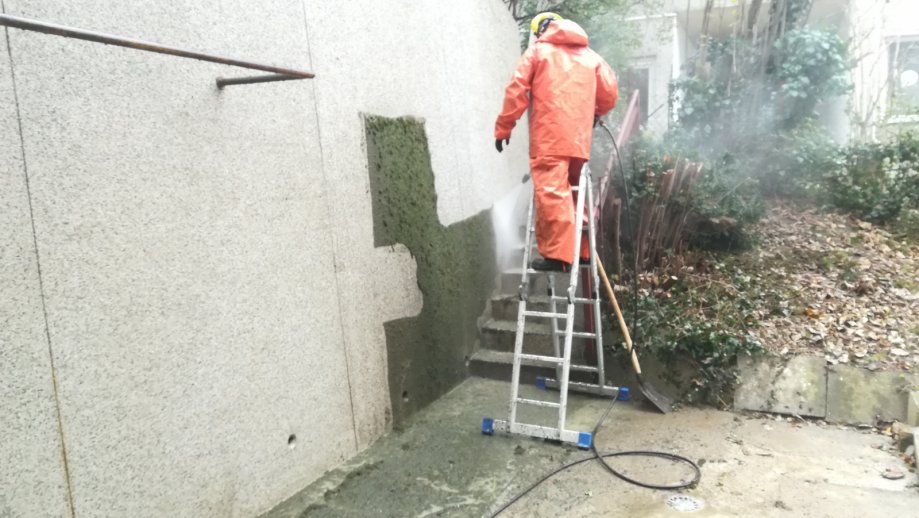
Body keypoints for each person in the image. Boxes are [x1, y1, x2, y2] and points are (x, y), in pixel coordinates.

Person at [494, 12, 618, 272]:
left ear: (540, 31)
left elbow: (516, 90)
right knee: (574, 194)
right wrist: (595, 113)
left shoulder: (537, 52)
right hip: (578, 142)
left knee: (552, 195)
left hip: (549, 139)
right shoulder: (591, 56)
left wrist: (504, 128)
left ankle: (558, 257)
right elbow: (609, 93)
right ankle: (583, 252)